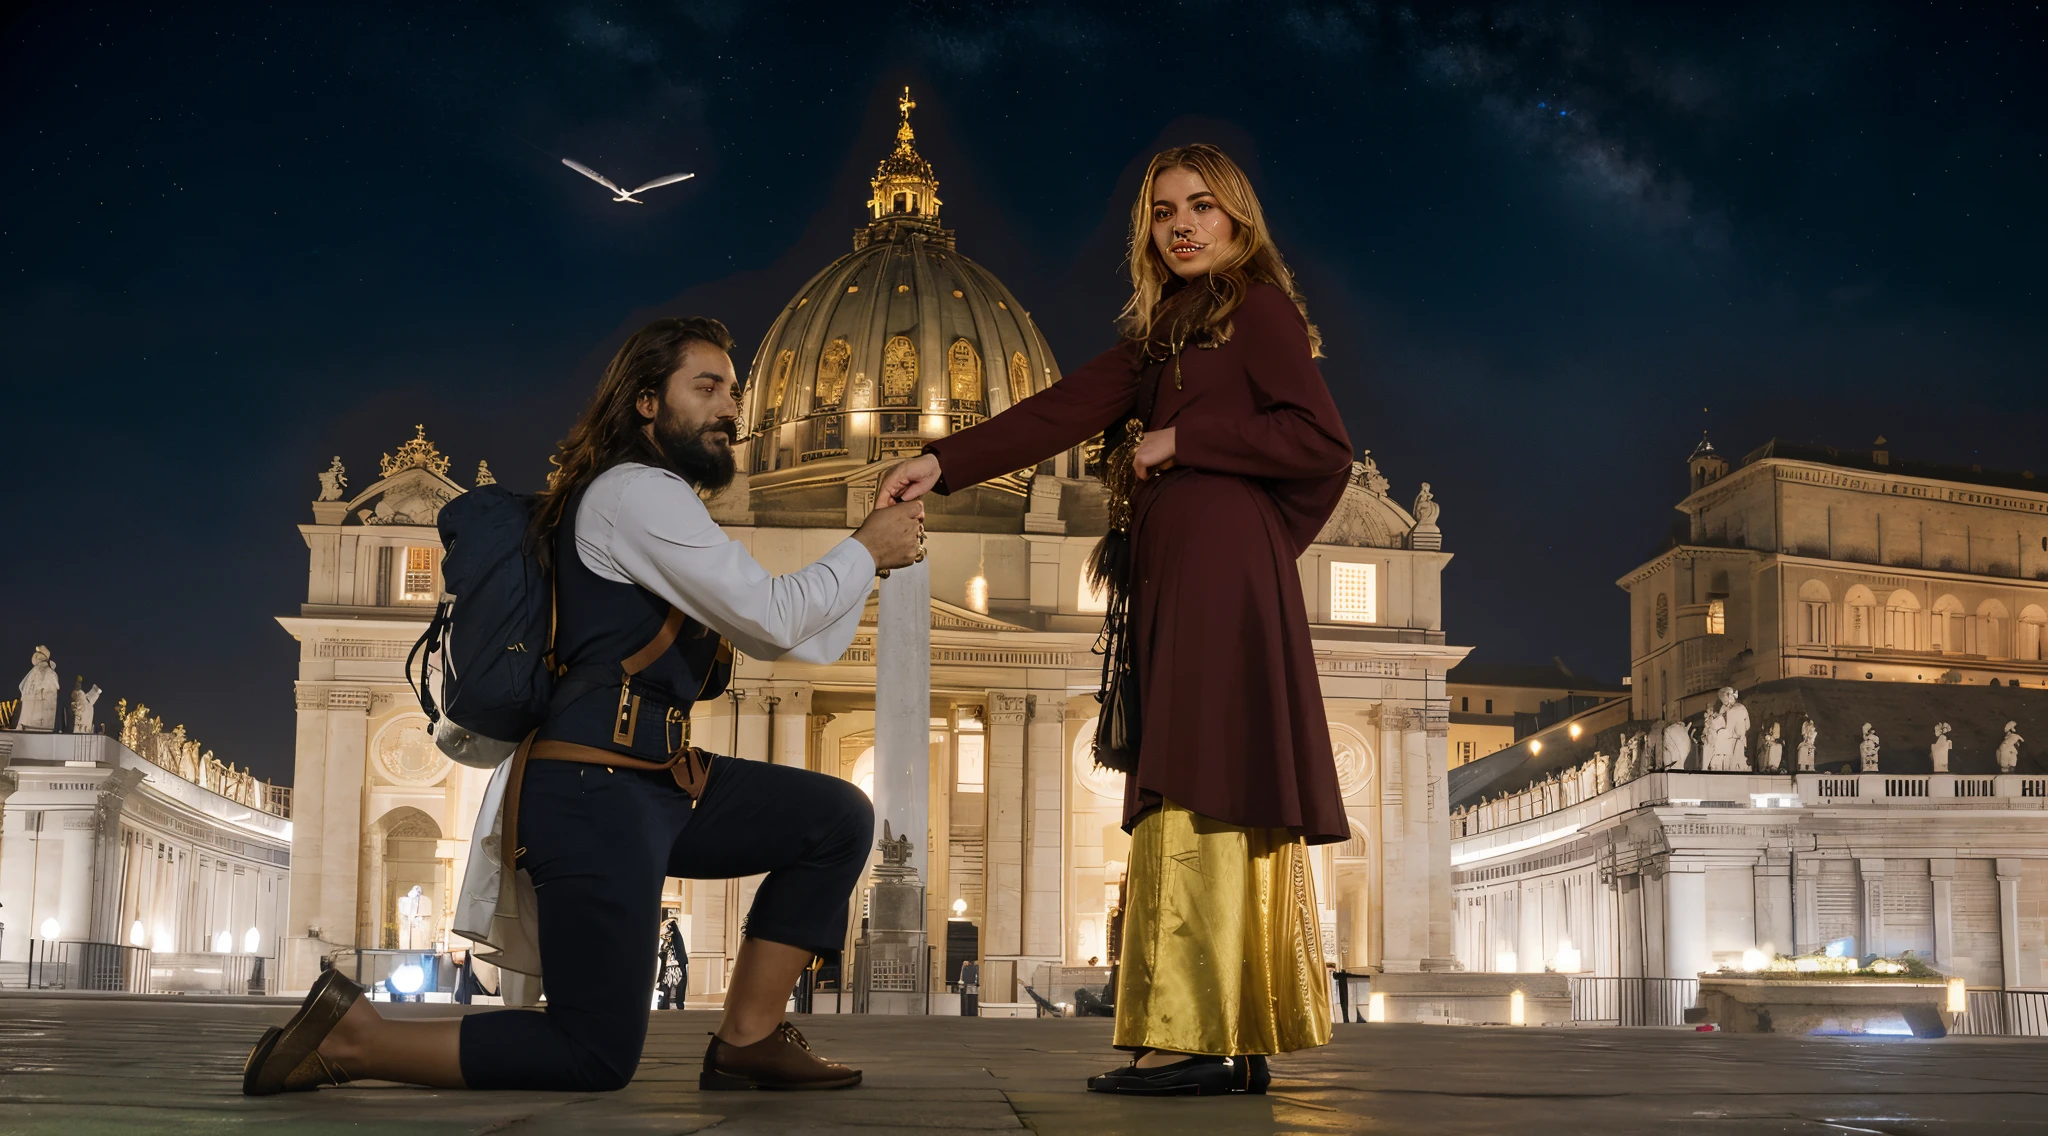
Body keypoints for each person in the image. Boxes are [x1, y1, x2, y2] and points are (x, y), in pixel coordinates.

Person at [245, 316, 926, 1096]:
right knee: (593, 1053)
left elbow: (794, 640)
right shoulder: (635, 494)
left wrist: (865, 557)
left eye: (734, 391)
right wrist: (866, 548)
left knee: (835, 819)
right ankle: (355, 1040)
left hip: (659, 780)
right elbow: (773, 614)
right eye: (705, 387)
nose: (730, 407)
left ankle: (749, 1038)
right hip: (592, 791)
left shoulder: (660, 503)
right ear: (644, 402)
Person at [880, 143, 1352, 1097]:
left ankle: (1191, 1034)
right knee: (1204, 775)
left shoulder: (1256, 310)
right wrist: (943, 462)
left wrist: (1199, 458)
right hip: (1186, 574)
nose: (1181, 224)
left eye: (1202, 207)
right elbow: (1056, 411)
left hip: (1216, 574)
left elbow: (1320, 445)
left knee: (1196, 776)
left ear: (1239, 220)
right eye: (1164, 211)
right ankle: (1234, 1025)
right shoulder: (1164, 332)